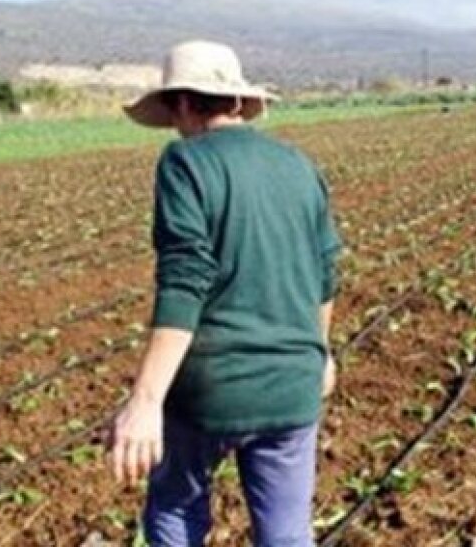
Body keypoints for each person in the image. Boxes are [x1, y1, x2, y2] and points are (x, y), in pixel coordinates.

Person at [108, 40, 342, 546]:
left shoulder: (185, 163)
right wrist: (320, 353)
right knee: (286, 534)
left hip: (212, 389)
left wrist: (145, 401)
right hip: (293, 383)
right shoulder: (300, 166)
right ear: (237, 102)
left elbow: (185, 279)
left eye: (174, 109)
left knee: (174, 509)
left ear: (183, 104)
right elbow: (325, 274)